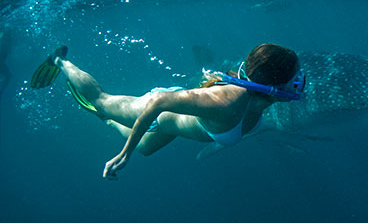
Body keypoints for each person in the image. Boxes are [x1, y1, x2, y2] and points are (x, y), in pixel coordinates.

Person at [30, 43, 305, 180]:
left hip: (178, 123)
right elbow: (160, 101)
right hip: (160, 110)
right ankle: (60, 61)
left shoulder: (261, 98)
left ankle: (107, 119)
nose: (298, 81)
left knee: (146, 149)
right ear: (273, 85)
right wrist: (124, 153)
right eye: (293, 77)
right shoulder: (226, 103)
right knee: (102, 100)